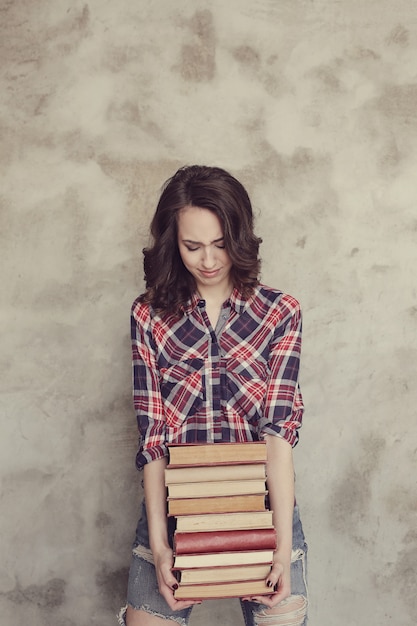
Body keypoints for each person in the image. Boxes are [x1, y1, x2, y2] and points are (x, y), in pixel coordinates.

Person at [118, 165, 308, 626]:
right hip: (172, 511)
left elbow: (279, 440)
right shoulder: (148, 315)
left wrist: (281, 547)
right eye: (192, 245)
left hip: (261, 507)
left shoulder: (280, 313)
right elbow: (153, 441)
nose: (208, 260)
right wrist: (162, 549)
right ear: (172, 242)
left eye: (220, 243)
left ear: (239, 236)